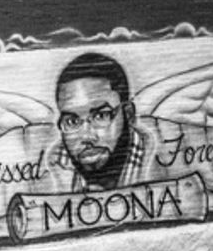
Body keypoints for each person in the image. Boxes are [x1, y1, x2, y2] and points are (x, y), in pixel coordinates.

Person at [55, 52, 147, 190]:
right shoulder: (52, 169)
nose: (86, 136)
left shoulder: (164, 158)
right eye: (72, 122)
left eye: (101, 116)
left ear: (128, 114)